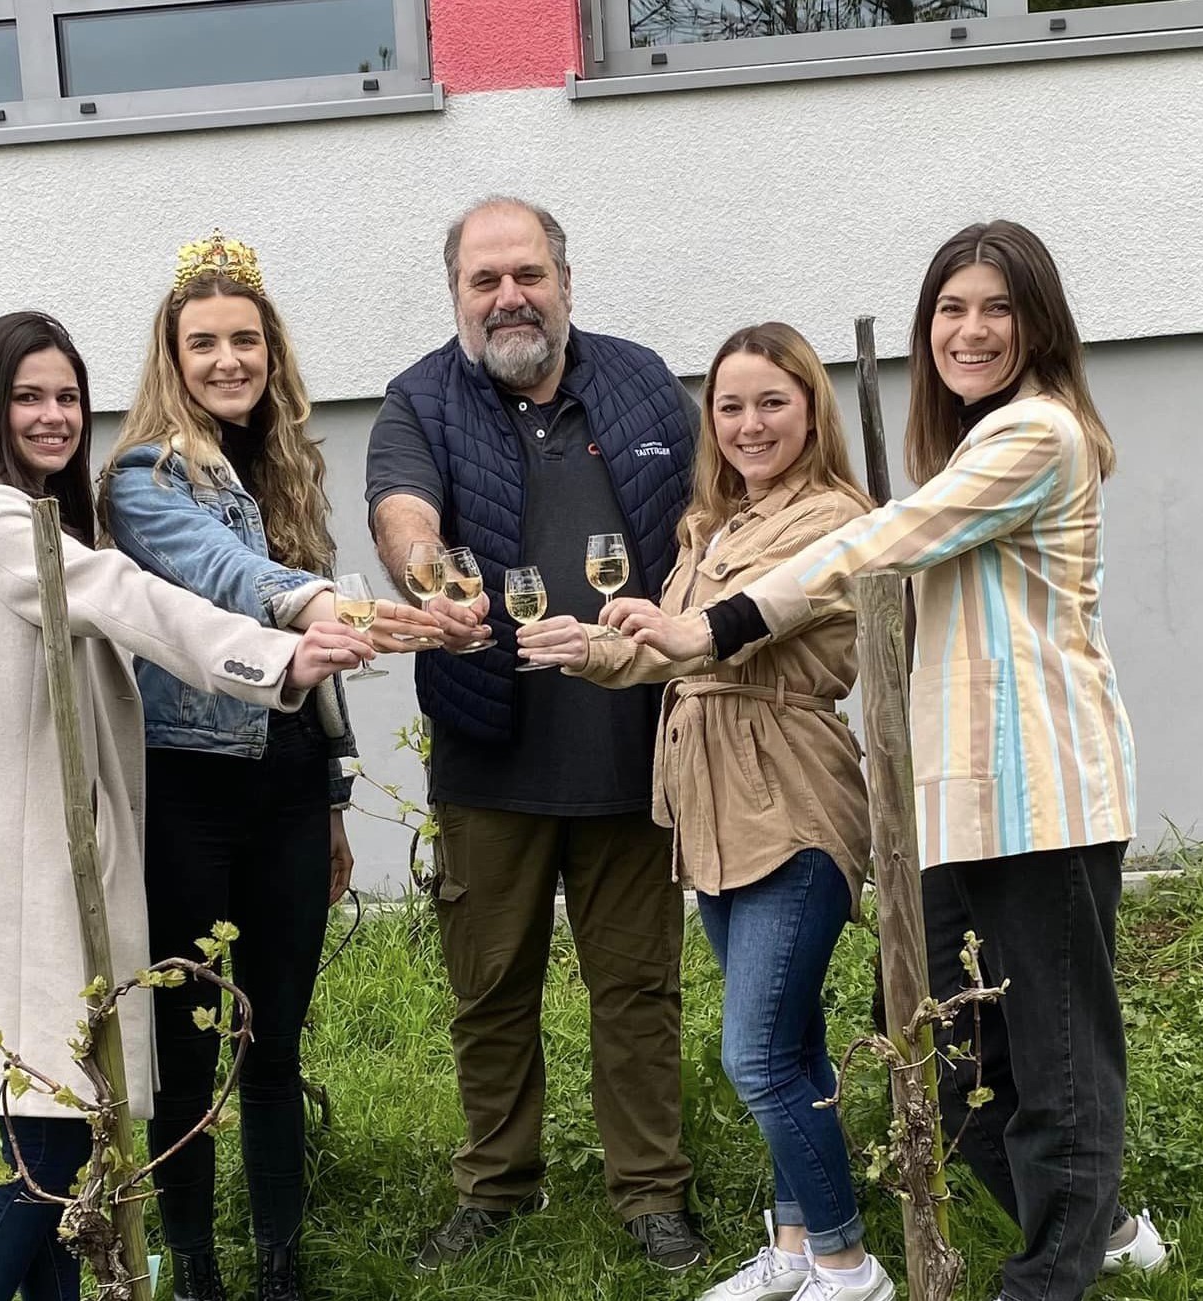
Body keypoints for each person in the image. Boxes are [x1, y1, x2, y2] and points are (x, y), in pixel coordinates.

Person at [616, 222, 1166, 1301]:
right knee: (938, 1045)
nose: (968, 330)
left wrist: (719, 624)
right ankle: (1094, 1229)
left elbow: (876, 542)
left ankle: (1047, 1277)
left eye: (995, 309)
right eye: (949, 310)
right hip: (952, 797)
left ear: (1036, 325)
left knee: (1054, 1056)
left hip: (1042, 787)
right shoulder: (975, 442)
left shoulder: (1036, 435)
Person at [0, 311, 372, 1301]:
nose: (54, 414)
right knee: (50, 1145)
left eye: (66, 395)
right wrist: (283, 651)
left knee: (55, 1133)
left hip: (38, 852)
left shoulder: (29, 513)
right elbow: (131, 597)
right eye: (27, 395)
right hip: (13, 864)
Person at [364, 196, 709, 1273]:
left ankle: (651, 1192)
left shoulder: (645, 380)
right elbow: (401, 514)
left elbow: (709, 515)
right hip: (490, 750)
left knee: (638, 990)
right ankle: (496, 1184)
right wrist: (427, 573)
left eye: (526, 273)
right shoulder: (419, 398)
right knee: (490, 988)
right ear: (458, 295)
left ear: (564, 278)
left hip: (628, 750)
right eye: (484, 279)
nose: (508, 295)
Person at [517, 322, 894, 1301]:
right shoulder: (712, 525)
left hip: (788, 794)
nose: (747, 422)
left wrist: (674, 632)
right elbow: (668, 644)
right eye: (729, 404)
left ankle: (848, 1262)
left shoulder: (832, 517)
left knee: (757, 1052)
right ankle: (793, 1247)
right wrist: (588, 645)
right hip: (712, 804)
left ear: (809, 406)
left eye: (771, 400)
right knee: (796, 1041)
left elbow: (731, 628)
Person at [99, 232, 437, 1301]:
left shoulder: (284, 468)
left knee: (277, 1038)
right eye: (203, 342)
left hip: (288, 786)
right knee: (193, 1040)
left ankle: (281, 1265)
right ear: (172, 355)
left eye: (244, 338)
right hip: (189, 792)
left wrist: (335, 803)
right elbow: (223, 572)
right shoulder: (141, 478)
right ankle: (196, 1265)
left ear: (270, 350)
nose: (226, 359)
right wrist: (324, 601)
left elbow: (317, 677)